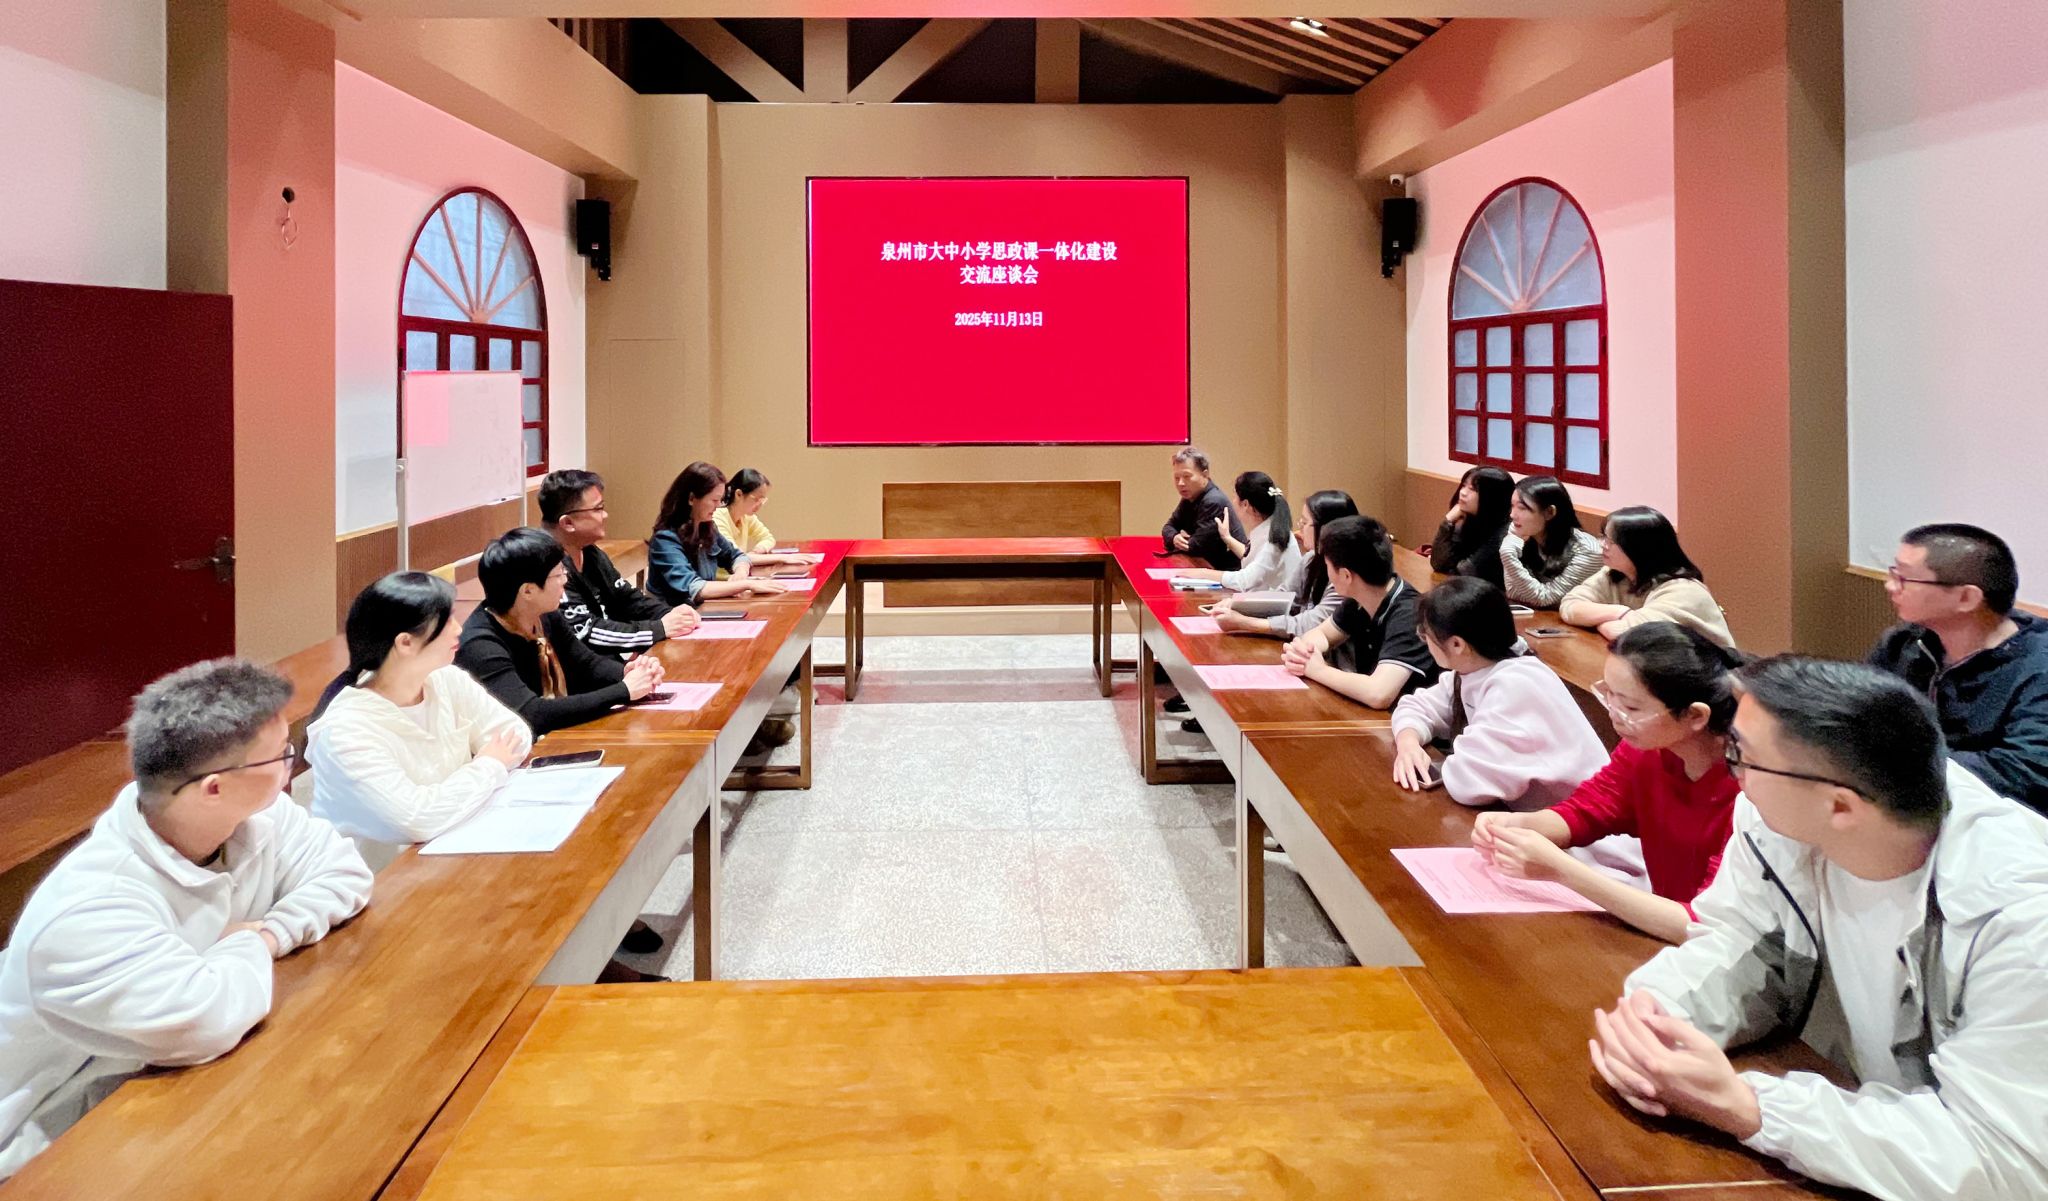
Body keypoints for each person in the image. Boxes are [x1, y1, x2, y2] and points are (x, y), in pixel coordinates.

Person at [1591, 657, 2048, 1201]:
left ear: (1840, 806)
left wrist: (1751, 1108)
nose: (1733, 775)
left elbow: (2003, 1160)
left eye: (1741, 756)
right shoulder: (1783, 820)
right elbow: (1739, 940)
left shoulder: (2019, 921)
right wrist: (1659, 1018)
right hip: (1859, 1133)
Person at [0, 659, 372, 1178]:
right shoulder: (89, 907)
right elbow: (205, 1019)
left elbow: (344, 873)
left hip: (166, 1085)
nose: (293, 762)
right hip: (50, 1143)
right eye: (281, 755)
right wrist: (245, 946)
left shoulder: (256, 813)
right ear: (214, 788)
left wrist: (270, 933)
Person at [1472, 622, 1744, 943]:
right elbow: (1591, 808)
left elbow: (1703, 924)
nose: (1614, 714)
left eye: (1631, 707)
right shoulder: (1647, 750)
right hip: (1660, 937)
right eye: (1609, 694)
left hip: (1713, 950)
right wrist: (1520, 825)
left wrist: (1561, 870)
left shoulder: (1750, 789)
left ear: (1695, 716)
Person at [306, 572, 531, 860]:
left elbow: (516, 734)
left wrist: (473, 778)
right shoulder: (346, 731)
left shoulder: (446, 678)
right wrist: (489, 765)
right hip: (382, 877)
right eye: (446, 621)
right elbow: (416, 819)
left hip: (458, 846)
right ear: (405, 643)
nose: (458, 629)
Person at [1866, 523, 2048, 815]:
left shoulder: (2038, 666)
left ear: (1966, 598)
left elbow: (2025, 771)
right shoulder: (1904, 643)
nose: (1890, 586)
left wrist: (1900, 766)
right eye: (1893, 572)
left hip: (2003, 820)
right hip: (1912, 803)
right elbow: (1862, 714)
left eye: (1904, 578)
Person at [1389, 577, 1607, 809]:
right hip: (1539, 819)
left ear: (1456, 645)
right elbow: (1416, 706)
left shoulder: (1516, 685)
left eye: (1426, 635)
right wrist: (1408, 744)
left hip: (1583, 826)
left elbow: (1468, 783)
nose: (1424, 641)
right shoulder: (1475, 667)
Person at [456, 527, 663, 736]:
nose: (565, 579)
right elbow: (532, 714)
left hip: (558, 734)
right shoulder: (480, 646)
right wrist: (623, 690)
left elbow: (586, 664)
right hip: (518, 747)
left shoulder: (545, 614)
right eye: (558, 574)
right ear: (528, 590)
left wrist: (629, 673)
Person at [1281, 515, 1442, 707]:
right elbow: (1322, 633)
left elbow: (1379, 694)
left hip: (1415, 722)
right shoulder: (1360, 598)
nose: (1328, 574)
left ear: (1346, 575)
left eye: (1328, 566)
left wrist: (1318, 670)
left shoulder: (1410, 613)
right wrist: (1305, 652)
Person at [538, 468, 699, 656]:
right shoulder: (547, 566)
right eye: (598, 509)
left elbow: (627, 599)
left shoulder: (590, 552)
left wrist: (671, 614)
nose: (605, 515)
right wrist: (658, 629)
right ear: (567, 523)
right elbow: (586, 632)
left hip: (605, 663)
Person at [1561, 506, 1733, 648]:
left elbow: (1631, 634)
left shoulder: (1684, 590)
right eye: (1603, 537)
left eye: (1611, 541)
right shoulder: (1614, 574)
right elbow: (1570, 605)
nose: (1602, 545)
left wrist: (1598, 619)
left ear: (1639, 548)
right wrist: (1620, 612)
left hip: (1710, 676)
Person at [1212, 489, 1358, 640]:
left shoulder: (1346, 574)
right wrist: (1239, 604)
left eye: (1305, 522)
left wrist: (1245, 623)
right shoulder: (1311, 559)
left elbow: (1313, 623)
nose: (1300, 527)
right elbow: (1284, 596)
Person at [647, 462, 788, 607]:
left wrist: (740, 573)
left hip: (704, 609)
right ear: (691, 498)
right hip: (675, 614)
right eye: (714, 500)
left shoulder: (707, 527)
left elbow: (736, 555)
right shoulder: (665, 539)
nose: (719, 505)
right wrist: (746, 584)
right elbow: (695, 588)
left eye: (720, 500)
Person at [1171, 471, 1303, 594]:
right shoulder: (1268, 528)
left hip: (1278, 607)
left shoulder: (1274, 539)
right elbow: (1251, 559)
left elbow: (1245, 581)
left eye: (1235, 496)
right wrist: (1227, 537)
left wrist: (1204, 573)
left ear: (1245, 504)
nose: (1233, 501)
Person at [1498, 474, 1603, 608]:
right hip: (1539, 616)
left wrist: (1508, 554)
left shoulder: (1588, 551)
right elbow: (1513, 591)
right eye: (1512, 506)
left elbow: (1546, 599)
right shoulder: (1522, 535)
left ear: (1549, 512)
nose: (1512, 515)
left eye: (1522, 508)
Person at [715, 469, 819, 572]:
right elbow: (736, 556)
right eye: (756, 499)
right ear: (739, 494)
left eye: (762, 500)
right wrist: (784, 558)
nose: (759, 505)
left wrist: (757, 551)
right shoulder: (718, 518)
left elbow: (768, 538)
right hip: (721, 580)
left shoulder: (746, 517)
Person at [1159, 447, 1245, 570]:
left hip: (1227, 571)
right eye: (1177, 478)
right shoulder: (1191, 496)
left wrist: (1179, 540)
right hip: (1206, 564)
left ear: (1205, 474)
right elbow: (1169, 526)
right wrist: (1174, 537)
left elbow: (1196, 546)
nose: (1180, 483)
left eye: (1187, 476)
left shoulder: (1213, 501)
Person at [1428, 466, 1514, 588]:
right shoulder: (1469, 519)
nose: (1463, 492)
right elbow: (1439, 564)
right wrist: (1448, 522)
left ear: (1492, 497)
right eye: (1464, 485)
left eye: (1473, 489)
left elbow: (1462, 573)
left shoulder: (1506, 532)